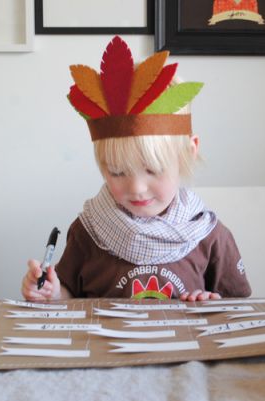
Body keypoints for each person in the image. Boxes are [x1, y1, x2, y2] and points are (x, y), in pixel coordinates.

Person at [21, 36, 251, 303]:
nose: (136, 188)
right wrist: (51, 292)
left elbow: (238, 307)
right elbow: (69, 297)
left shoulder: (209, 236)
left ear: (189, 152)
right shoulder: (88, 231)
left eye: (152, 170)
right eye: (118, 173)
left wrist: (211, 303)